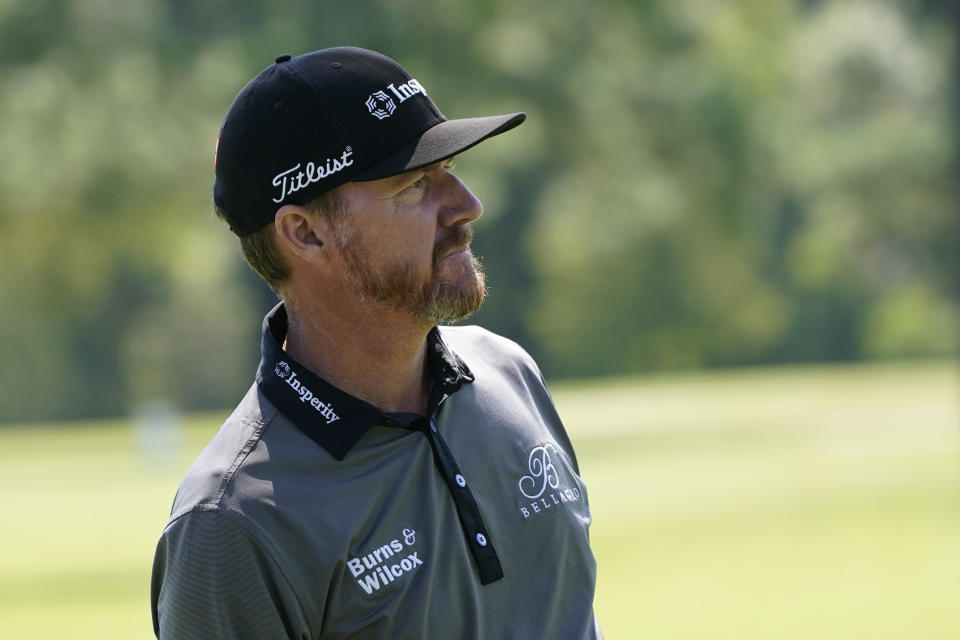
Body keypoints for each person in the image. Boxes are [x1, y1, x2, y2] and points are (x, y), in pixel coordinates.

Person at [150, 46, 602, 640]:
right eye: (414, 185)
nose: (467, 206)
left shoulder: (508, 371)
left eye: (449, 171)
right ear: (306, 234)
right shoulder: (231, 522)